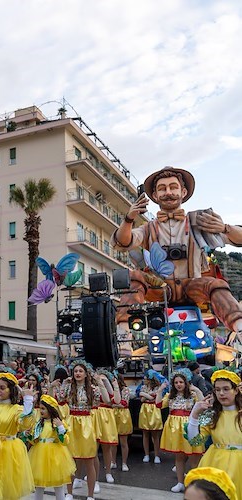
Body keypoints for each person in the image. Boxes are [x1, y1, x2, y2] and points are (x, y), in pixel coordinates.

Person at [112, 166, 242, 356]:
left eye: (173, 187)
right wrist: (129, 218)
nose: (168, 192)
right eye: (162, 188)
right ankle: (124, 337)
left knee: (217, 284)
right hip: (162, 289)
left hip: (194, 287)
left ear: (183, 192)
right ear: (155, 195)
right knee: (136, 277)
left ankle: (239, 329)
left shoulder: (199, 222)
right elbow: (122, 242)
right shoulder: (148, 228)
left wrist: (224, 228)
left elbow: (238, 239)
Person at [0, 372, 36, 500]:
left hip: (8, 451)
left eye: (2, 388)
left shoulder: (17, 409)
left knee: (7, 486)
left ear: (11, 390)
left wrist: (28, 401)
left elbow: (25, 425)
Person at [187, 369, 242, 498]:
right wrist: (195, 414)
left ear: (236, 390)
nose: (221, 393)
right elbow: (194, 441)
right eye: (217, 390)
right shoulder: (211, 415)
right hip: (215, 464)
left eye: (226, 389)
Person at [53, 362, 100, 500]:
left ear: (86, 374)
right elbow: (59, 399)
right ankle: (69, 493)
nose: (78, 373)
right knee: (70, 459)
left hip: (86, 423)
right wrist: (61, 385)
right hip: (71, 422)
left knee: (89, 460)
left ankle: (90, 495)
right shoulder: (68, 387)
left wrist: (101, 383)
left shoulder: (93, 389)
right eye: (75, 371)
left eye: (80, 371)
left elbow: (106, 399)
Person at [156, 369, 204, 493]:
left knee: (193, 457)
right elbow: (158, 405)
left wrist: (197, 390)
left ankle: (196, 484)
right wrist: (161, 389)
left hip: (189, 427)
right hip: (174, 428)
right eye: (176, 382)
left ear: (186, 382)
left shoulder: (193, 395)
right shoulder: (170, 396)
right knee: (179, 457)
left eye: (181, 382)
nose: (178, 384)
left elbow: (203, 404)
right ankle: (180, 482)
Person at [27, 394, 75, 500]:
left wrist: (60, 428)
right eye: (40, 408)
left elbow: (64, 441)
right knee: (39, 485)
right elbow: (34, 441)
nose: (41, 411)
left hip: (56, 456)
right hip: (39, 456)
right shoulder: (38, 424)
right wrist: (29, 435)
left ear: (50, 409)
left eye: (43, 409)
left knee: (58, 485)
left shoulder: (58, 423)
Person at [138, 369, 165, 464]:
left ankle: (157, 455)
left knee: (155, 434)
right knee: (145, 433)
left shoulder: (157, 388)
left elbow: (155, 398)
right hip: (145, 409)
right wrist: (149, 396)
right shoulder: (143, 387)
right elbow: (142, 399)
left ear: (150, 379)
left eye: (145, 379)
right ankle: (146, 454)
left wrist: (146, 395)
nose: (144, 380)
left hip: (154, 410)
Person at [111, 373, 133, 472]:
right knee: (113, 441)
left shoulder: (125, 389)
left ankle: (124, 463)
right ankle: (113, 461)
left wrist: (115, 404)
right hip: (113, 414)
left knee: (123, 441)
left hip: (123, 415)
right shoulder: (110, 389)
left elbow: (124, 403)